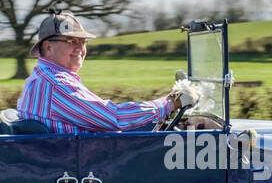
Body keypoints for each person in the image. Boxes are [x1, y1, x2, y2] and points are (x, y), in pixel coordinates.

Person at [16, 10, 190, 133]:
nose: (80, 48)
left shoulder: (41, 77)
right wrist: (170, 103)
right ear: (48, 46)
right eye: (71, 41)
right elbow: (115, 118)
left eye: (83, 42)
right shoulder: (56, 84)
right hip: (83, 169)